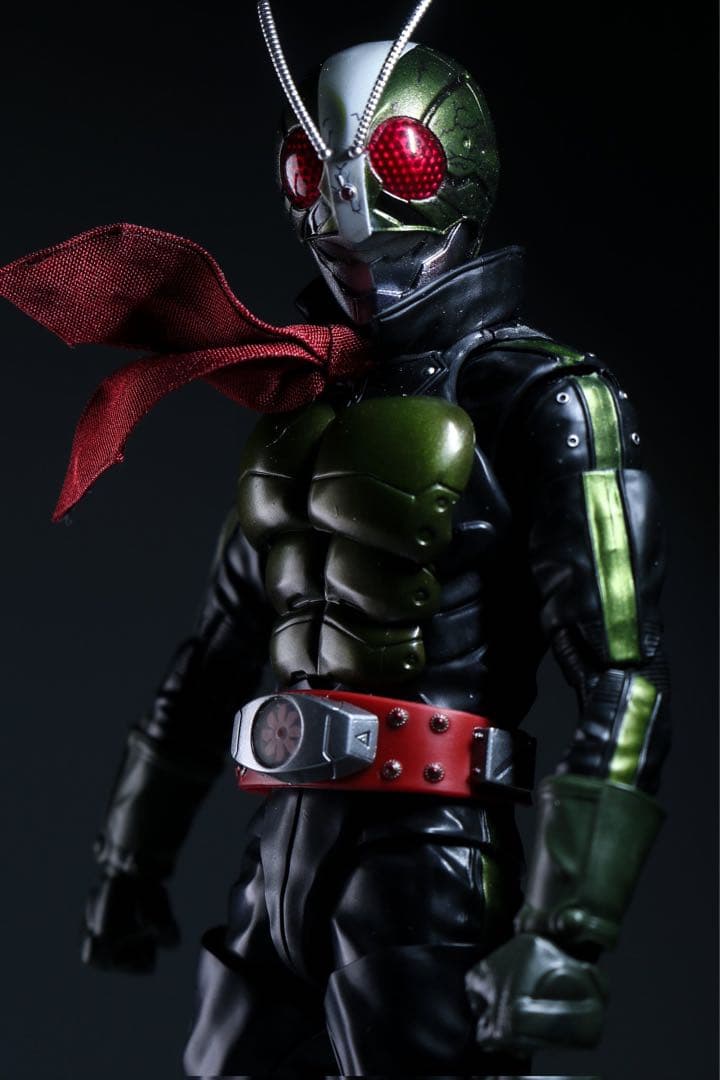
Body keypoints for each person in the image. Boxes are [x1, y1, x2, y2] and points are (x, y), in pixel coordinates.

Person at [0, 2, 670, 1075]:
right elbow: (218, 650)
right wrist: (132, 853)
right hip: (281, 850)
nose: (348, 203)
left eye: (392, 161)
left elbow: (623, 676)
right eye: (312, 171)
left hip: (431, 854)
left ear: (452, 169)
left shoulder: (542, 398)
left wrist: (565, 928)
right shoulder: (300, 404)